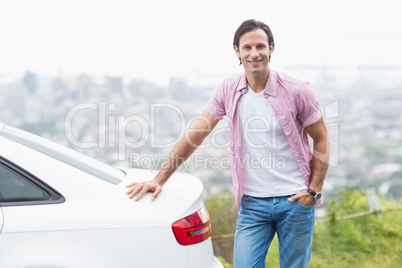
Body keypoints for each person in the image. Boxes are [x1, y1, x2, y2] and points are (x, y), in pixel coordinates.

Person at [126, 19, 330, 268]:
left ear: (271, 49)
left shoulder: (297, 90)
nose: (254, 53)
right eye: (247, 48)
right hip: (253, 204)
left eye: (260, 46)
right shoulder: (229, 90)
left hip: (295, 200)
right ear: (237, 51)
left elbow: (321, 137)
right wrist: (159, 179)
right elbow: (195, 136)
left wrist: (314, 190)